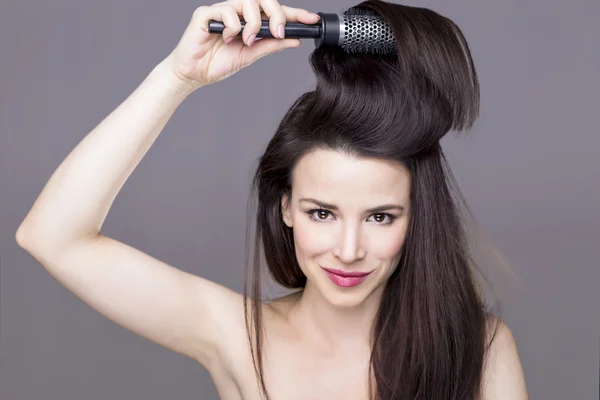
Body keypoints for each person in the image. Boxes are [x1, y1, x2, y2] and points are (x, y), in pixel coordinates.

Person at [15, 0, 528, 398]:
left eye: (380, 216)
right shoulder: (235, 336)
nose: (348, 250)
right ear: (285, 207)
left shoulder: (479, 349)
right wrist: (177, 78)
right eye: (321, 213)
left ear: (417, 218)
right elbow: (51, 236)